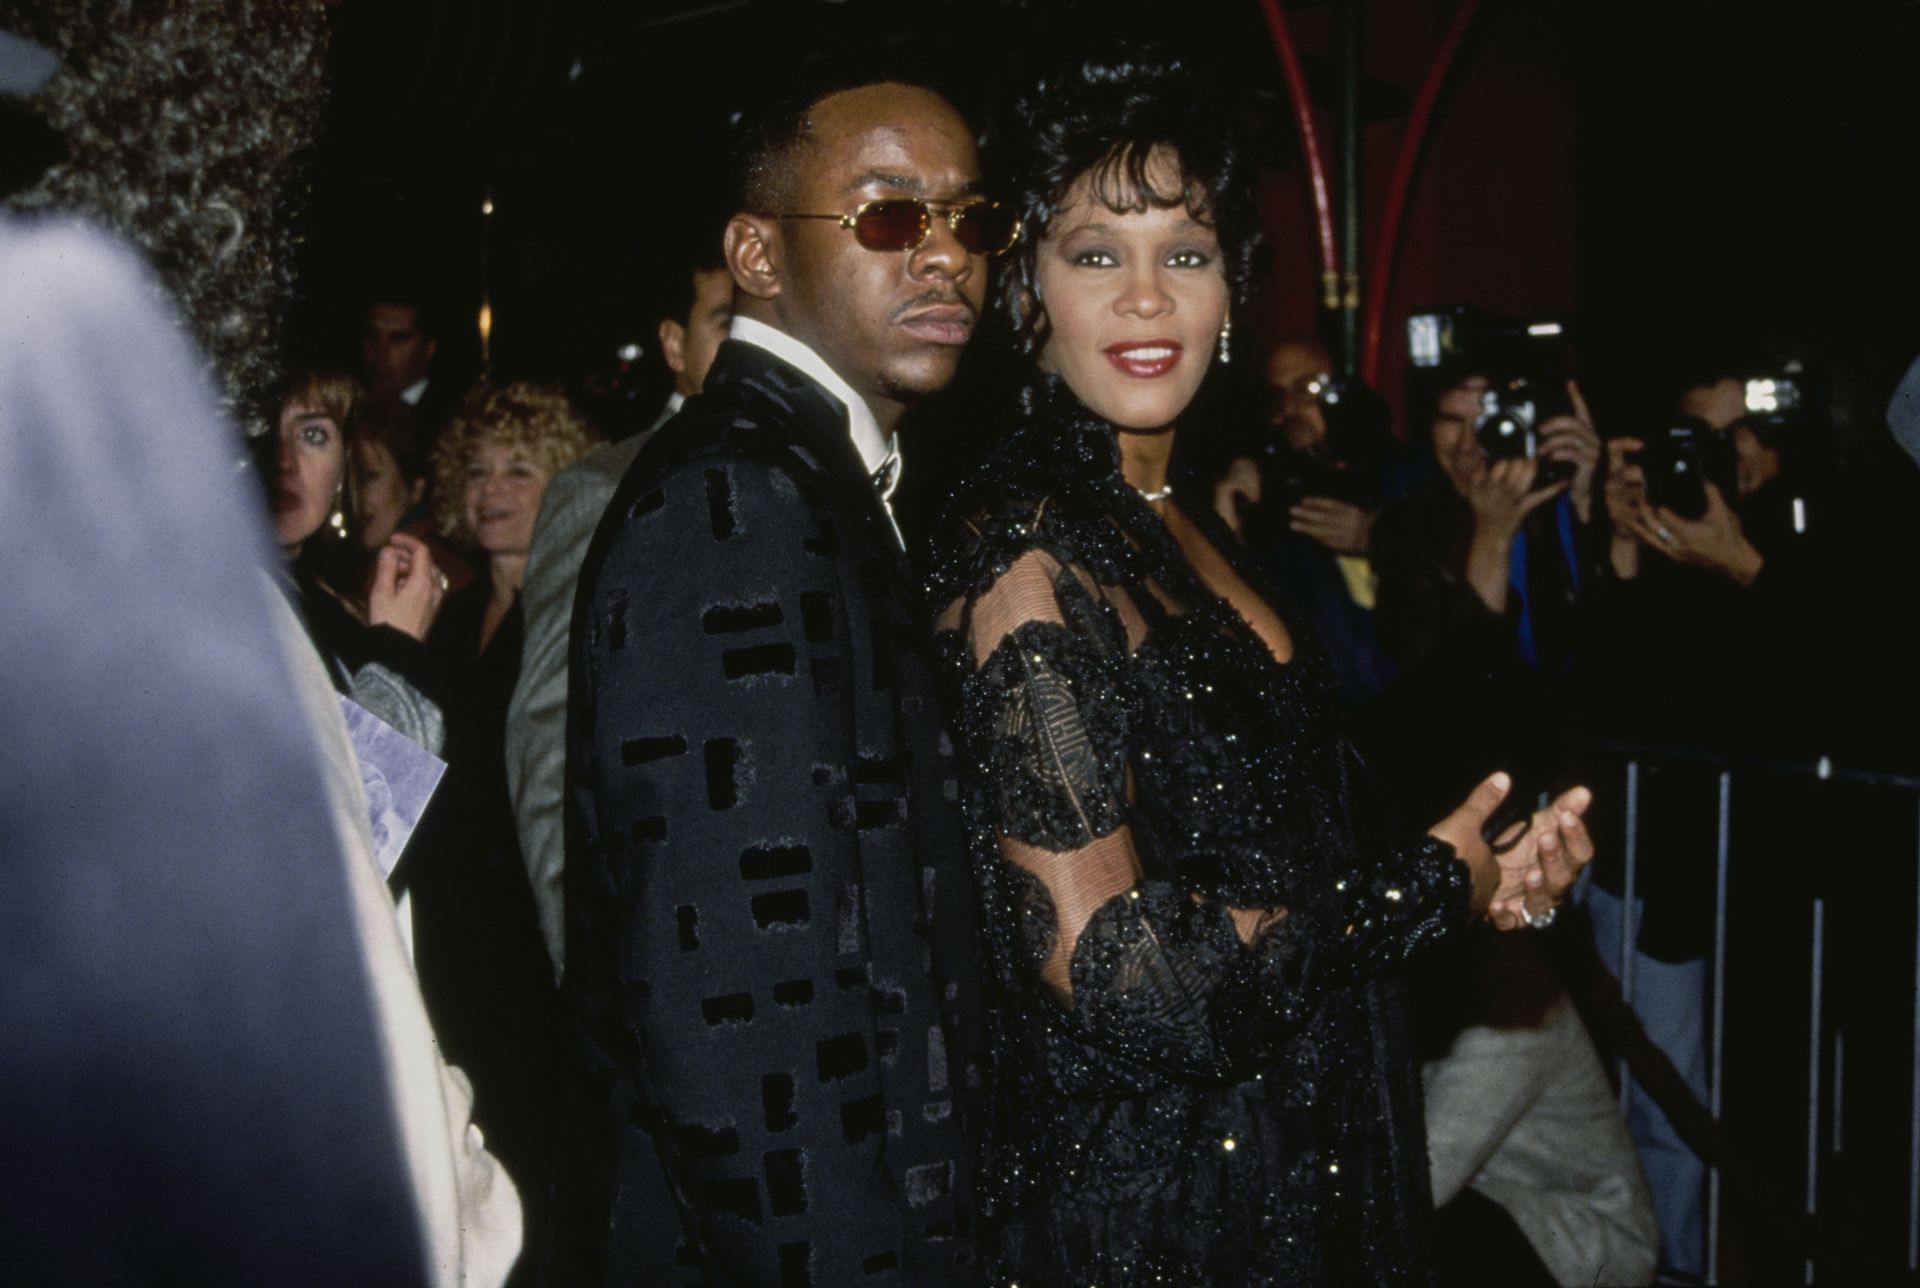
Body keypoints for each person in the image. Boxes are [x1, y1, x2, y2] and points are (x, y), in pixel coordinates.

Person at [927, 46, 1594, 1285]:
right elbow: (1121, 975)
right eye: (1094, 254)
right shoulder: (1026, 552)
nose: (1145, 297)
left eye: (1183, 252)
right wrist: (1418, 894)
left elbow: (1293, 841)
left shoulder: (1183, 520)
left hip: (1302, 1133)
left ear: (1233, 287)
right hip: (1158, 1200)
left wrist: (1487, 872)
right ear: (1027, 288)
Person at [563, 61, 1015, 1284]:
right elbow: (740, 1023)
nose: (945, 257)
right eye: (886, 215)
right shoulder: (737, 502)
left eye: (972, 219)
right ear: (757, 256)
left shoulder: (805, 478)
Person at [411, 381, 596, 1285]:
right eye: (477, 470)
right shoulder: (439, 620)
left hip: (534, 936)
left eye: (520, 469)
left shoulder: (580, 615)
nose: (492, 489)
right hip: (449, 933)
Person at [508, 235, 732, 979]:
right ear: (674, 343)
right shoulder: (605, 490)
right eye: (728, 323)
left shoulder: (818, 477)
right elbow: (550, 729)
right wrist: (588, 961)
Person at [272, 366, 450, 753]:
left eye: (313, 434)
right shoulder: (217, 605)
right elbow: (360, 806)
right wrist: (397, 648)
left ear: (341, 467)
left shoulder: (325, 598)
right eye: (263, 429)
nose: (284, 460)